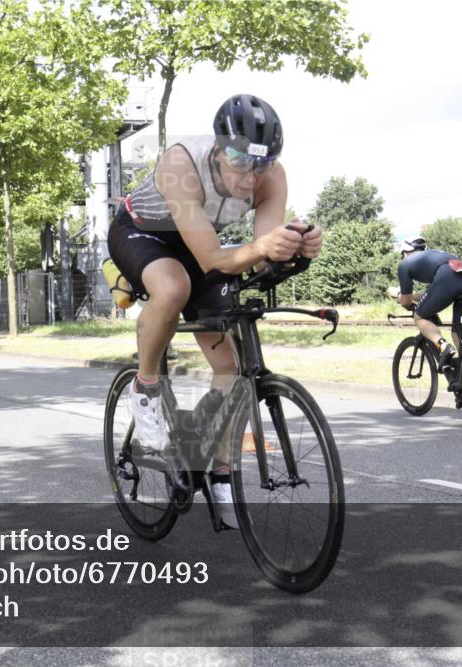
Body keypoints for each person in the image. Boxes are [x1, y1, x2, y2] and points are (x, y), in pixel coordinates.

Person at [107, 94, 322, 528]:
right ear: (220, 148)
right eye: (241, 160)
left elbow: (261, 258)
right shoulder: (181, 163)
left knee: (232, 367)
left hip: (201, 248)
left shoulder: (271, 178)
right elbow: (210, 258)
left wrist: (295, 247)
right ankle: (146, 390)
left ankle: (220, 469)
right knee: (173, 286)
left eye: (263, 163)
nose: (251, 175)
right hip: (144, 237)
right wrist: (261, 246)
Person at [388, 236, 462, 372]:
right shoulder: (435, 256)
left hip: (448, 279)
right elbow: (434, 294)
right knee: (460, 337)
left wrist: (397, 294)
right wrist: (415, 295)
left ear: (405, 253)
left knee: (419, 317)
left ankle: (443, 346)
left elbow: (406, 301)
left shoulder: (405, 264)